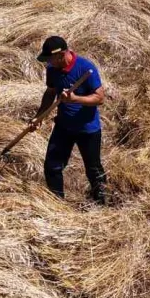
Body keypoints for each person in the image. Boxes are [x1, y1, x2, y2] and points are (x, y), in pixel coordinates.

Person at [29, 36, 107, 204]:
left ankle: (102, 204)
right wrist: (40, 115)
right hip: (63, 127)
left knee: (93, 170)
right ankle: (57, 204)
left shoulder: (86, 68)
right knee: (52, 167)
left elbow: (99, 98)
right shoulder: (52, 69)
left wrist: (75, 99)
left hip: (88, 129)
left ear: (62, 55)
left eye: (50, 58)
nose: (48, 62)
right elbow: (50, 93)